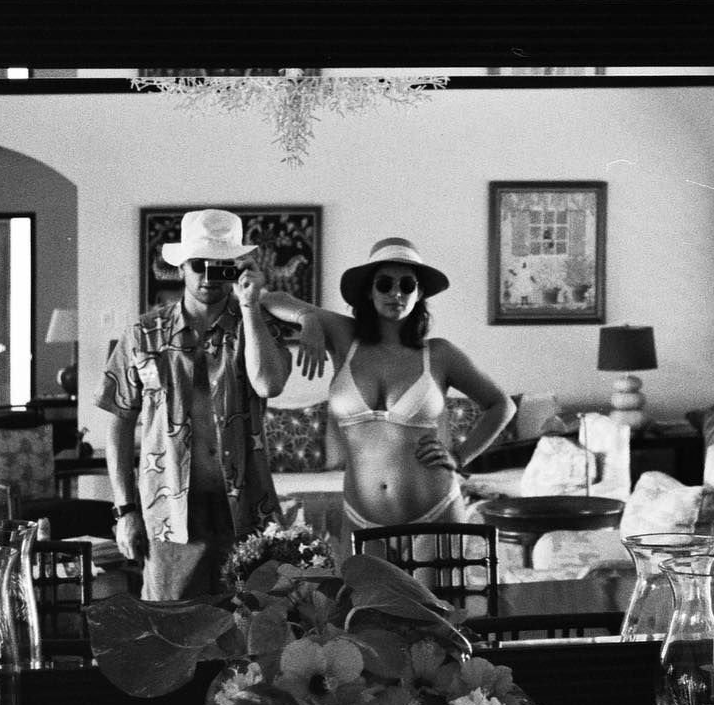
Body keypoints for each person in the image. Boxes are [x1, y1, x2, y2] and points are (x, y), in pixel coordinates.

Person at [261, 237, 516, 548]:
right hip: (362, 519)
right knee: (357, 584)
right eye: (385, 284)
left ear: (419, 294)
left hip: (436, 514)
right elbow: (270, 299)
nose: (396, 293)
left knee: (437, 585)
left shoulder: (439, 354)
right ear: (369, 291)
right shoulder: (345, 338)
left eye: (407, 285)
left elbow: (501, 405)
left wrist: (460, 457)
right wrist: (307, 318)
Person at [94, 208, 291, 600]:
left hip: (245, 513)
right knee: (171, 628)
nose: (208, 277)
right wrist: (125, 510)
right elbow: (118, 422)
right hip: (168, 513)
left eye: (221, 266)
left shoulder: (256, 326)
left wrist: (250, 306)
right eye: (199, 264)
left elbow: (269, 384)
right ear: (181, 266)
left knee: (249, 625)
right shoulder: (143, 335)